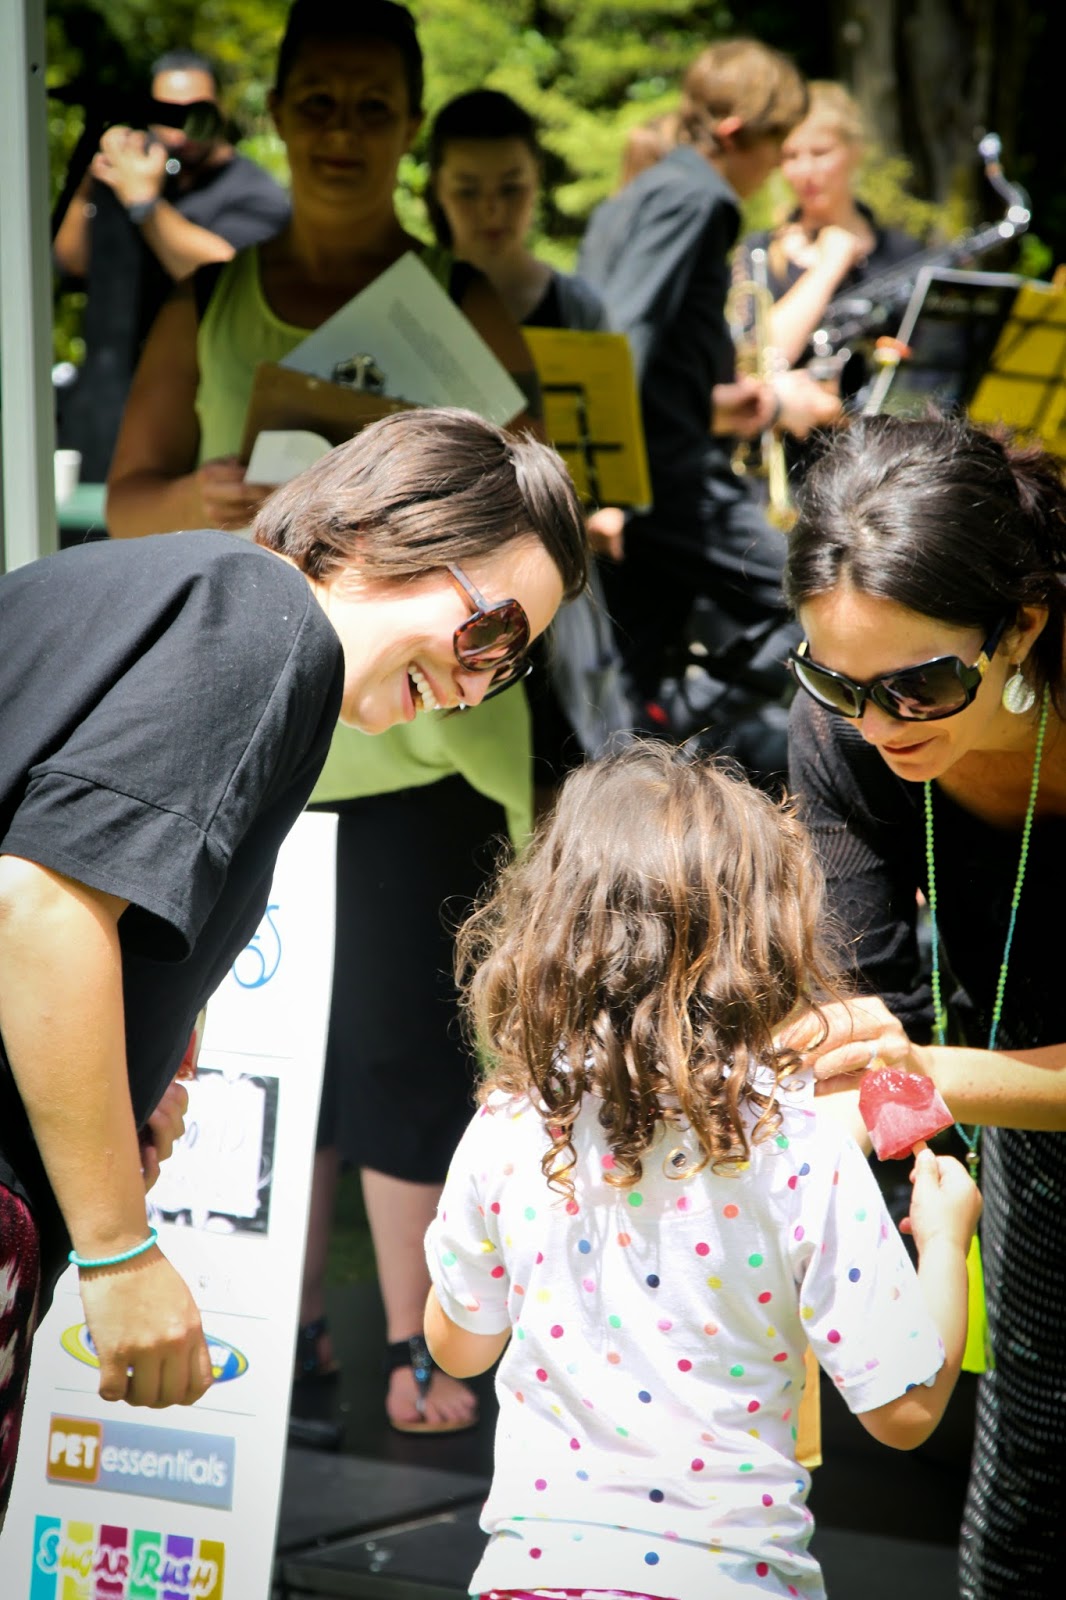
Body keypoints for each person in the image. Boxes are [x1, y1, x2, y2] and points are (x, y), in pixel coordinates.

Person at [0, 406, 588, 1529]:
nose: (477, 688)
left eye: (510, 670)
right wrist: (120, 1253)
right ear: (383, 531)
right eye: (488, 635)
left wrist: (139, 1078)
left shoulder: (208, 603)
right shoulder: (265, 623)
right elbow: (38, 904)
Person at [105, 0, 547, 1437]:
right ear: (280, 113)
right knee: (249, 1052)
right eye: (320, 101)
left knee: (412, 1049)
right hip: (255, 736)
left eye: (372, 106)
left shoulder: (462, 302)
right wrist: (207, 497)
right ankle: (275, 1339)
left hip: (433, 752)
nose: (343, 131)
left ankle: (425, 1343)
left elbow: (537, 512)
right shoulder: (208, 303)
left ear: (407, 124)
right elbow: (127, 499)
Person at [423, 743, 980, 1599]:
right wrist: (943, 1242)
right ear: (769, 937)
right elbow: (903, 1411)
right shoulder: (800, 1145)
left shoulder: (512, 1124)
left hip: (534, 1577)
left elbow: (458, 1347)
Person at [781, 412, 1066, 1598]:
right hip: (1019, 1111)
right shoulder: (843, 735)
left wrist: (929, 1079)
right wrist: (911, 1189)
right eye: (837, 679)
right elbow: (864, 1022)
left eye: (924, 684)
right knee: (1034, 1479)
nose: (879, 724)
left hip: (989, 1079)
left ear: (1022, 627)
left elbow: (905, 1067)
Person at [577, 41, 837, 783]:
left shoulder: (632, 197)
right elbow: (621, 336)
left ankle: (639, 775)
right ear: (734, 132)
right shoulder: (701, 199)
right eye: (775, 145)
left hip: (642, 474)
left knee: (631, 670)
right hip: (665, 481)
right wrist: (602, 486)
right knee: (813, 595)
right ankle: (680, 734)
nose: (775, 167)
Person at [426, 87, 630, 785]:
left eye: (510, 189)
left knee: (561, 772)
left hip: (558, 592)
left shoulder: (575, 305)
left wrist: (601, 511)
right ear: (436, 191)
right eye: (468, 191)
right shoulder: (412, 302)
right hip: (441, 584)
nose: (491, 211)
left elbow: (609, 459)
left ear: (537, 185)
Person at [53, 49, 290, 484]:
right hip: (105, 402)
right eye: (165, 113)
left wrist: (145, 204)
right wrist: (89, 185)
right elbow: (72, 263)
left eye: (192, 113)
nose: (179, 130)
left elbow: (230, 278)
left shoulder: (254, 193)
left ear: (219, 110)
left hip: (198, 407)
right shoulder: (134, 175)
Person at [738, 81, 918, 395]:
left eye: (820, 152)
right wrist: (830, 265)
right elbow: (761, 359)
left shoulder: (905, 253)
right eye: (791, 156)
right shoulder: (759, 252)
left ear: (855, 151)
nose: (805, 170)